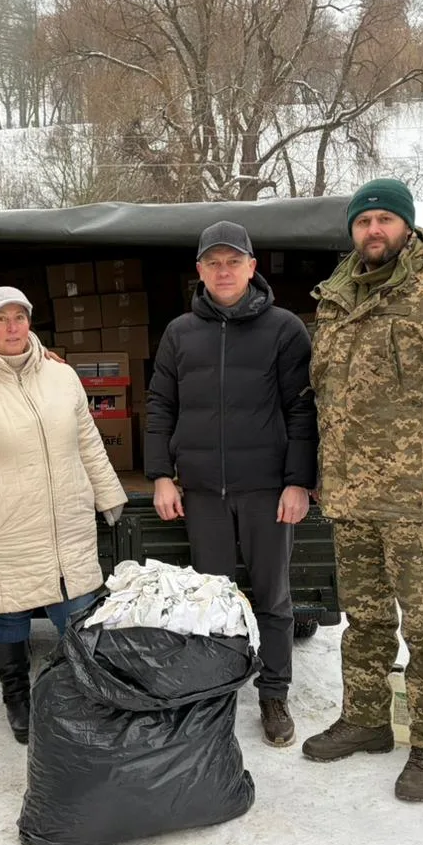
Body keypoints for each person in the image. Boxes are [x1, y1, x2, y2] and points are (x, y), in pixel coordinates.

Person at [302, 179, 423, 803]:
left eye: (385, 219)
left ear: (406, 226)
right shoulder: (336, 294)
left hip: (416, 497)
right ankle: (366, 720)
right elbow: (327, 395)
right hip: (352, 493)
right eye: (364, 221)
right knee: (362, 617)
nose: (374, 231)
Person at [0, 286, 128, 744]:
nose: (12, 327)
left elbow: (87, 442)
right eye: (1, 319)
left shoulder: (61, 378)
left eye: (20, 317)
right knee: (10, 613)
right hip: (6, 527)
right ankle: (17, 699)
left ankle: (81, 695)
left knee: (77, 612)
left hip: (65, 519)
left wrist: (108, 495)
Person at [145, 220, 318, 748]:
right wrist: (159, 476)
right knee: (211, 597)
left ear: (252, 267)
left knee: (272, 597)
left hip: (266, 489)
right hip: (202, 492)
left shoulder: (285, 328)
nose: (224, 271)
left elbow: (302, 408)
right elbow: (160, 406)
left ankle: (273, 693)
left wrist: (299, 482)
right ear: (199, 271)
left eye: (233, 261)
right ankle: (216, 693)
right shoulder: (180, 332)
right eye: (213, 262)